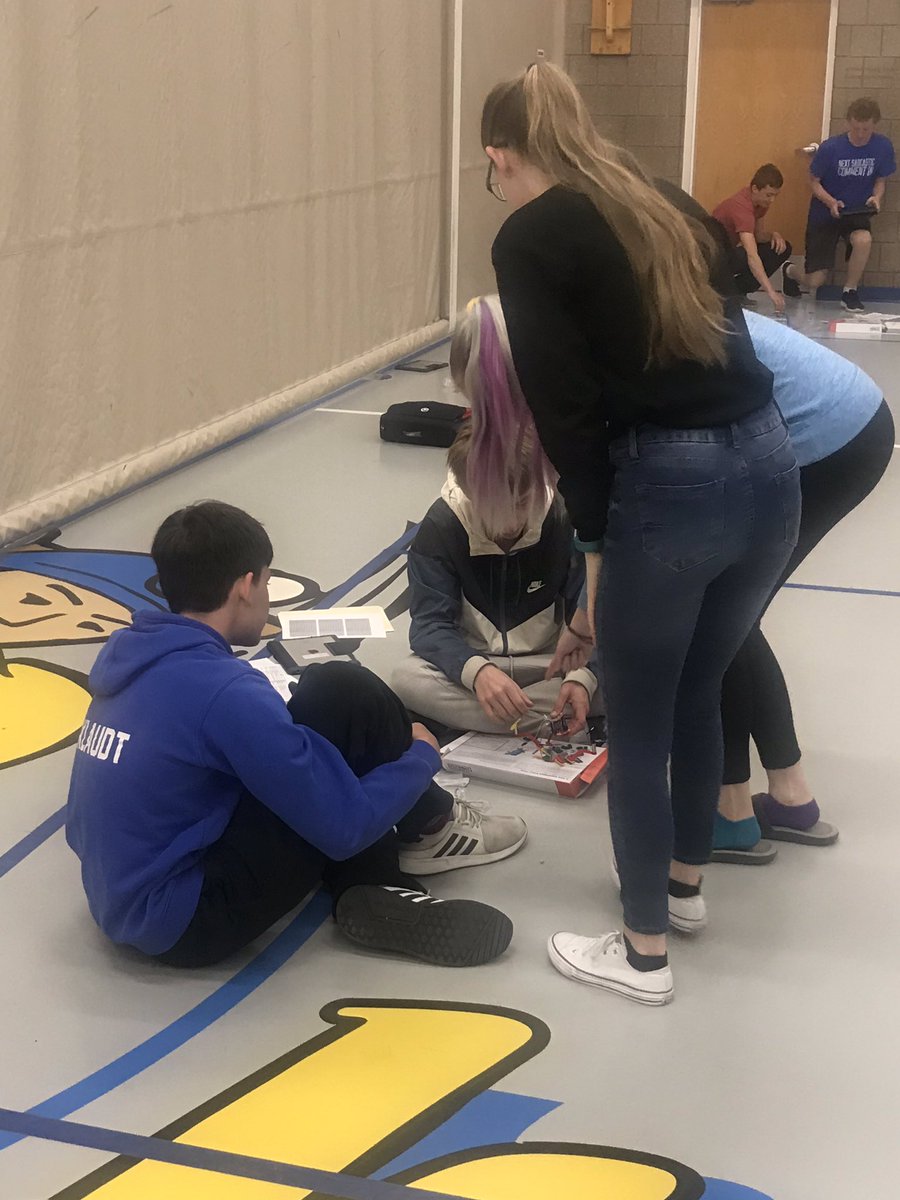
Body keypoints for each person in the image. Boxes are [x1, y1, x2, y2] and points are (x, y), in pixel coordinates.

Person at [480, 60, 800, 1006]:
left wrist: (592, 557)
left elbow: (562, 409)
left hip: (673, 482)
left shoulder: (531, 237)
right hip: (769, 465)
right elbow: (729, 326)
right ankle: (684, 891)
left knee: (644, 709)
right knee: (701, 687)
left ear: (501, 155)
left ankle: (643, 952)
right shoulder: (657, 195)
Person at [66, 501, 527, 969]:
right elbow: (344, 826)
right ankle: (430, 829)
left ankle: (370, 881)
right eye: (266, 580)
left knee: (332, 690)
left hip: (116, 897)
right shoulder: (225, 691)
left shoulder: (134, 658)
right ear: (246, 586)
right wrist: (421, 757)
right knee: (355, 697)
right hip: (190, 923)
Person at [713, 312, 894, 861]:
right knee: (735, 617)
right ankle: (790, 799)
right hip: (854, 421)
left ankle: (731, 812)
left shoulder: (649, 324)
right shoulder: (677, 295)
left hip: (827, 440)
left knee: (718, 622)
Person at [392, 295, 600, 741]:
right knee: (406, 679)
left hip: (550, 661)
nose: (507, 527)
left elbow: (596, 614)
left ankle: (545, 710)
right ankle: (552, 718)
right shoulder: (443, 525)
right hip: (481, 668)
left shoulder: (563, 516)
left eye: (519, 511)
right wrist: (477, 672)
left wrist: (582, 678)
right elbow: (428, 627)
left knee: (626, 674)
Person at [783, 97, 896, 313]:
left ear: (874, 125)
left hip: (855, 211)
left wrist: (877, 197)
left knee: (863, 239)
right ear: (848, 123)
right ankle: (790, 271)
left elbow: (881, 180)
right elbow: (813, 182)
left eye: (866, 129)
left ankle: (849, 291)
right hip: (825, 212)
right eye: (856, 128)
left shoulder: (882, 147)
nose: (861, 134)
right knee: (815, 280)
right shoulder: (831, 148)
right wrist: (831, 202)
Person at [712, 164, 791, 312]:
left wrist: (774, 235)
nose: (772, 200)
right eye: (769, 195)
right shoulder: (741, 208)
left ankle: (737, 292)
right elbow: (752, 255)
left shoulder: (760, 203)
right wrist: (771, 293)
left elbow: (759, 236)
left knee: (781, 248)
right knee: (746, 255)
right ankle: (722, 293)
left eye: (775, 195)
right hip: (714, 258)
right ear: (755, 189)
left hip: (728, 253)